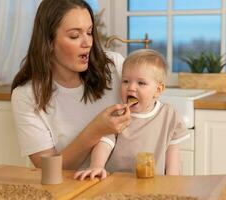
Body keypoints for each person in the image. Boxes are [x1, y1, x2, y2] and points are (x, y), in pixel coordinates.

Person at [10, 0, 131, 170]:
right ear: (49, 42)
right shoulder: (27, 96)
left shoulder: (114, 67)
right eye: (75, 36)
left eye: (89, 32)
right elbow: (48, 170)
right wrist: (95, 130)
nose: (87, 42)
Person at [74, 49, 190, 180]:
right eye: (126, 81)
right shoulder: (118, 116)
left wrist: (171, 181)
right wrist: (96, 166)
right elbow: (104, 144)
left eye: (141, 83)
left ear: (158, 90)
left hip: (153, 183)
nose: (131, 87)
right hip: (117, 181)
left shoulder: (169, 116)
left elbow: (173, 153)